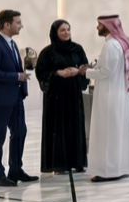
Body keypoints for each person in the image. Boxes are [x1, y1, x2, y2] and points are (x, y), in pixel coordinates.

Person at [0, 9, 36, 188]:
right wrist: (16, 77)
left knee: (20, 131)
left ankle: (16, 170)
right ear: (7, 24)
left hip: (15, 97)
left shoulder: (12, 44)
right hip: (0, 99)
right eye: (18, 22)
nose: (21, 25)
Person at [35, 20, 89, 175]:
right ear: (55, 33)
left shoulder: (77, 49)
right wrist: (58, 73)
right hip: (56, 98)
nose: (66, 33)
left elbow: (85, 68)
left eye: (68, 29)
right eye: (62, 30)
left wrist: (77, 71)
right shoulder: (48, 52)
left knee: (75, 127)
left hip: (73, 96)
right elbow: (41, 73)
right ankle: (59, 165)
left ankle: (77, 162)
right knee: (58, 129)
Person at [86, 15, 129, 182]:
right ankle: (117, 167)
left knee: (107, 132)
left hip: (110, 95)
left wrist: (84, 72)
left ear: (108, 26)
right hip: (116, 94)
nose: (97, 28)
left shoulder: (111, 45)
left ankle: (107, 171)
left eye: (99, 25)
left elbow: (107, 71)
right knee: (115, 131)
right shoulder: (116, 44)